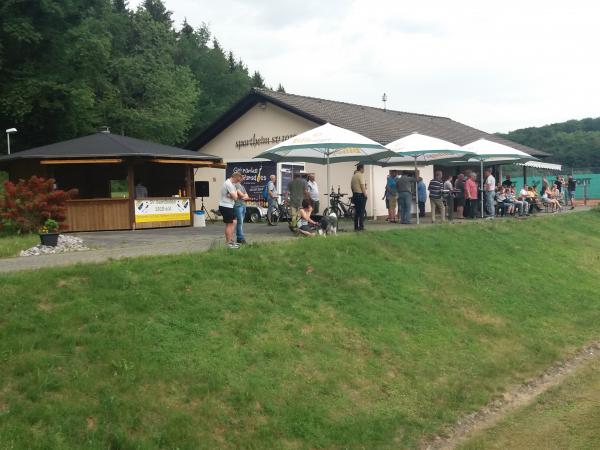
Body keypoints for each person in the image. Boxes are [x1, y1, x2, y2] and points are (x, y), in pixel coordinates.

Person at [219, 171, 242, 249]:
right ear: (235, 177)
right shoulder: (228, 184)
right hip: (225, 206)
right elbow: (236, 197)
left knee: (234, 222)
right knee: (229, 224)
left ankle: (230, 241)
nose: (238, 182)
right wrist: (233, 195)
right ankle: (229, 243)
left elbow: (234, 195)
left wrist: (232, 195)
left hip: (229, 206)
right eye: (238, 180)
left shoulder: (233, 184)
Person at [233, 174, 251, 244]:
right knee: (239, 222)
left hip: (243, 205)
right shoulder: (236, 185)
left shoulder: (242, 186)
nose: (243, 178)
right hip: (238, 205)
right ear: (238, 177)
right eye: (242, 176)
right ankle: (240, 238)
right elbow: (241, 195)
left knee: (241, 223)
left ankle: (239, 238)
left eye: (244, 177)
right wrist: (244, 196)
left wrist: (244, 196)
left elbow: (247, 196)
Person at [351, 164, 367, 231]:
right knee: (361, 211)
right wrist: (365, 194)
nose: (364, 170)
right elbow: (362, 186)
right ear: (361, 168)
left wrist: (354, 193)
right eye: (363, 168)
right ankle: (361, 227)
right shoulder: (360, 175)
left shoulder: (354, 176)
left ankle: (356, 227)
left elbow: (351, 187)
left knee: (357, 212)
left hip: (355, 194)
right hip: (360, 195)